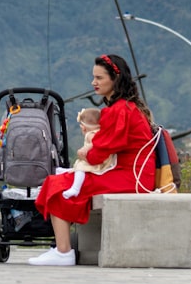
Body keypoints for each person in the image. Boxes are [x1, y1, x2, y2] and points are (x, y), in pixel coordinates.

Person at [29, 53, 156, 266]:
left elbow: (100, 152)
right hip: (130, 173)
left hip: (130, 177)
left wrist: (84, 152)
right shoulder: (124, 108)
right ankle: (61, 249)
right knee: (63, 182)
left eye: (99, 78)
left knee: (59, 184)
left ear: (115, 79)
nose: (93, 82)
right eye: (93, 77)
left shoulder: (119, 111)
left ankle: (63, 252)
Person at [57, 107, 116, 199]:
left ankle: (75, 188)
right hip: (101, 159)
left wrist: (86, 148)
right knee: (80, 164)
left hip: (99, 161)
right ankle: (68, 171)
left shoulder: (91, 134)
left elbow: (96, 142)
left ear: (83, 127)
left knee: (81, 167)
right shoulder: (100, 132)